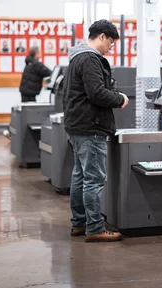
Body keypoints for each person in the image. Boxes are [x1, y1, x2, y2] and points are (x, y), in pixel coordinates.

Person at [63, 20, 129, 243]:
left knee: (80, 177)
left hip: (77, 125)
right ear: (101, 36)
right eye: (110, 42)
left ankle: (79, 224)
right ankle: (95, 228)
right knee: (93, 179)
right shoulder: (90, 59)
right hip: (90, 126)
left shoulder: (76, 58)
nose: (111, 48)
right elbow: (97, 93)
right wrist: (120, 99)